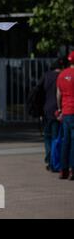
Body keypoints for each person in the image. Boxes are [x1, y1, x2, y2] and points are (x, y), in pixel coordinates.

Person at [39, 58, 65, 171]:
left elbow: (39, 93)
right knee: (56, 137)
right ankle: (55, 162)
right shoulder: (63, 76)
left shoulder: (46, 76)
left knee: (47, 137)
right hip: (58, 110)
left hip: (46, 110)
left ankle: (50, 160)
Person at [56, 52, 74, 180]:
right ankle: (73, 169)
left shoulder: (62, 74)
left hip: (66, 112)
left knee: (66, 141)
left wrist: (60, 109)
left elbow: (58, 94)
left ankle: (63, 170)